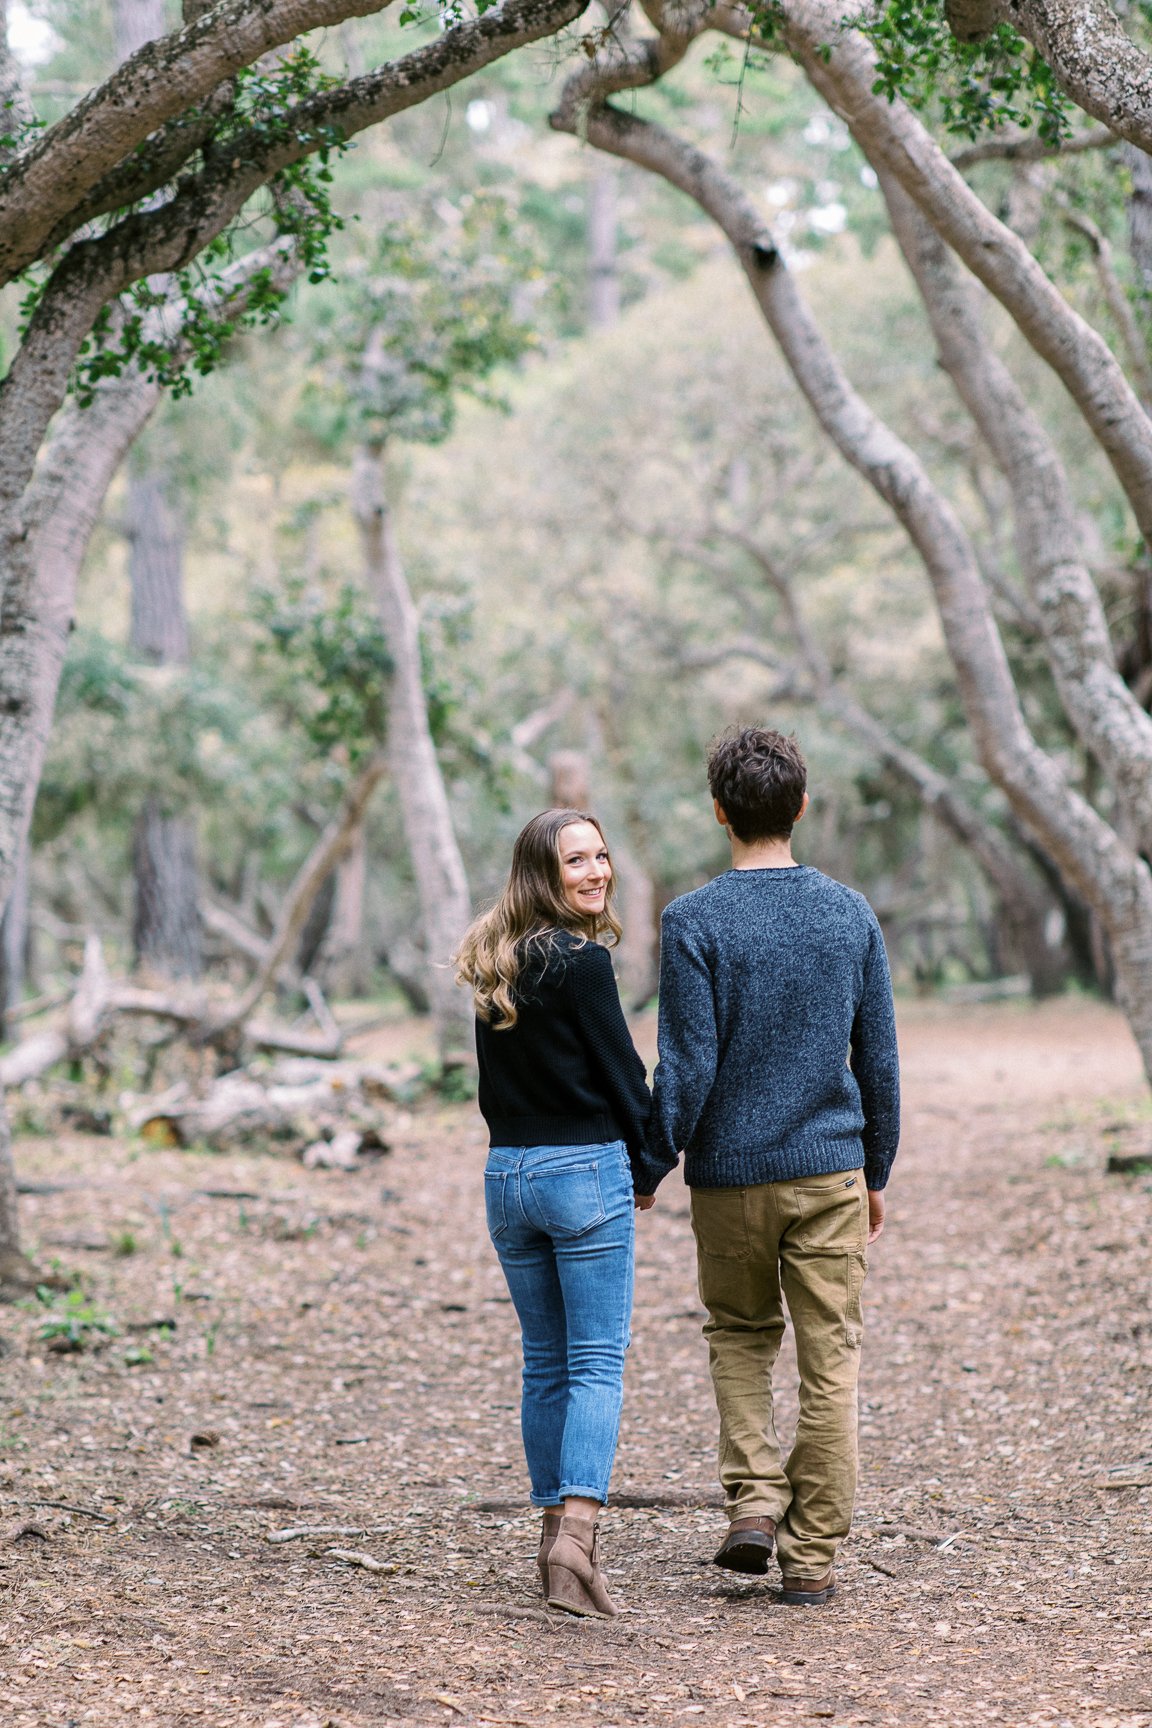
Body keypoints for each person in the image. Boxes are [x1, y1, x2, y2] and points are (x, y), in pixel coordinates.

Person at [634, 727, 900, 1606]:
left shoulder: (693, 920)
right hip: (830, 1172)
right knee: (833, 1364)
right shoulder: (849, 912)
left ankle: (753, 1502)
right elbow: (880, 1062)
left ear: (719, 812)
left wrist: (651, 1159)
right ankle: (811, 1558)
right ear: (802, 807)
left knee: (741, 1338)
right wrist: (877, 1169)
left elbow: (691, 1064)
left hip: (730, 1178)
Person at [455, 808, 653, 1619]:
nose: (596, 871)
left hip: (508, 1175)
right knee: (596, 1362)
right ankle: (577, 1535)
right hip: (583, 1174)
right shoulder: (581, 962)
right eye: (577, 860)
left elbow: (491, 1088)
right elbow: (623, 1076)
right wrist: (648, 1165)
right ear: (543, 873)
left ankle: (551, 1549)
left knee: (545, 1361)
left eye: (602, 855)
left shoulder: (493, 959)